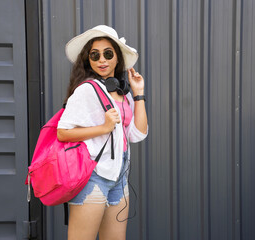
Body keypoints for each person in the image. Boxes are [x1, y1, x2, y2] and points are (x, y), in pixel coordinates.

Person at [57, 25, 148, 240]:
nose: (101, 60)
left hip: (119, 176)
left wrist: (138, 94)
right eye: (94, 55)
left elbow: (138, 134)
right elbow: (63, 133)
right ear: (88, 60)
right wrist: (104, 128)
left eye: (108, 54)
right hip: (93, 177)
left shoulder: (121, 93)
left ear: (117, 58)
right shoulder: (86, 90)